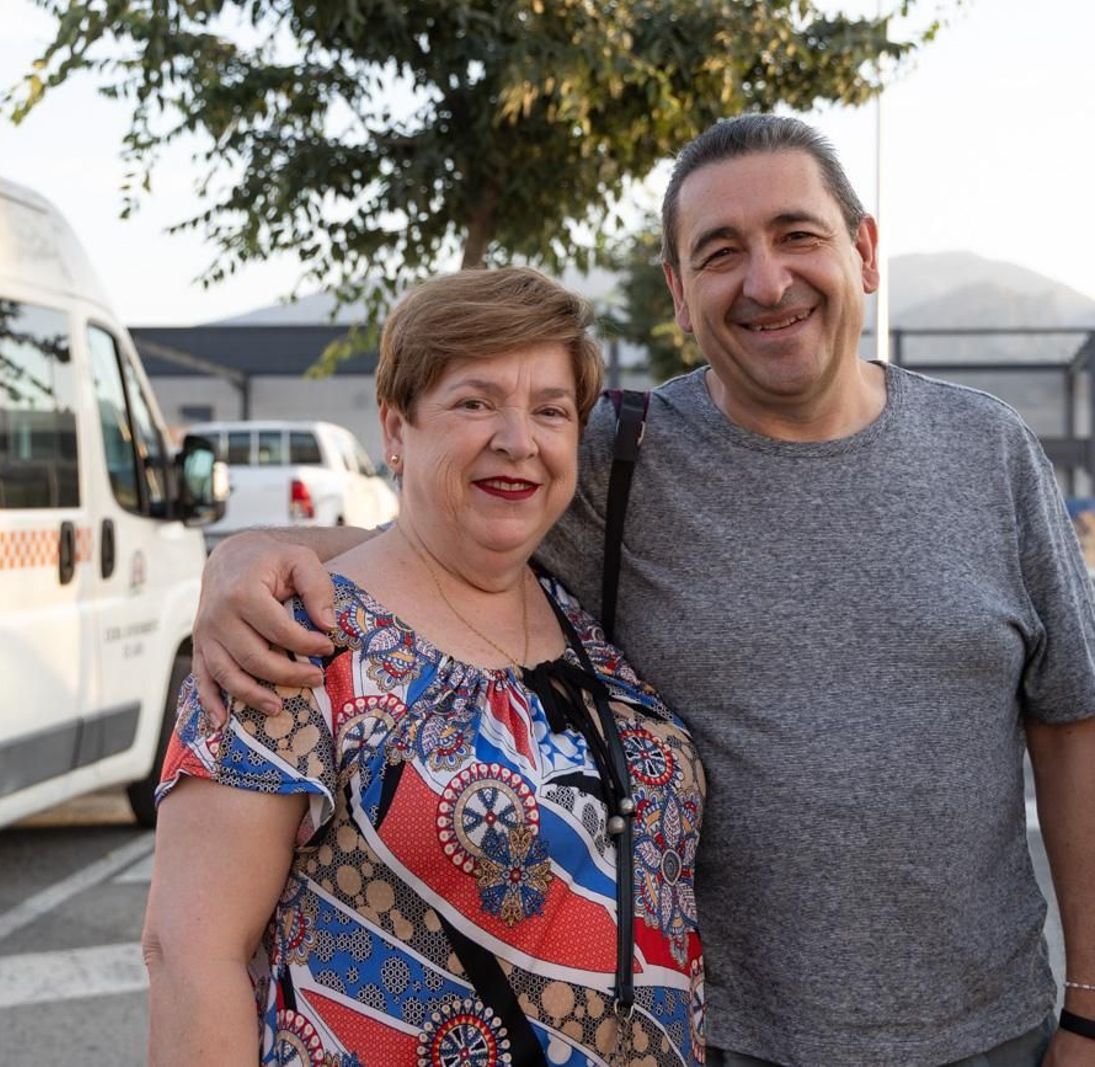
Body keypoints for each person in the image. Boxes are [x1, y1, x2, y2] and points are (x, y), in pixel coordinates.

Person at [191, 116, 1095, 1067]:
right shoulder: (619, 458)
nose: (767, 282)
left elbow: (1070, 731)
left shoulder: (990, 451)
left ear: (865, 251)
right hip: (724, 1043)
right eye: (721, 254)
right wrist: (247, 556)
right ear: (680, 297)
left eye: (797, 236)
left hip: (992, 1036)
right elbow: (436, 528)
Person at [142, 268, 707, 1066]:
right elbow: (191, 955)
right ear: (396, 430)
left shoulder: (583, 621)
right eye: (475, 402)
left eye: (549, 409)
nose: (518, 439)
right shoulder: (295, 641)